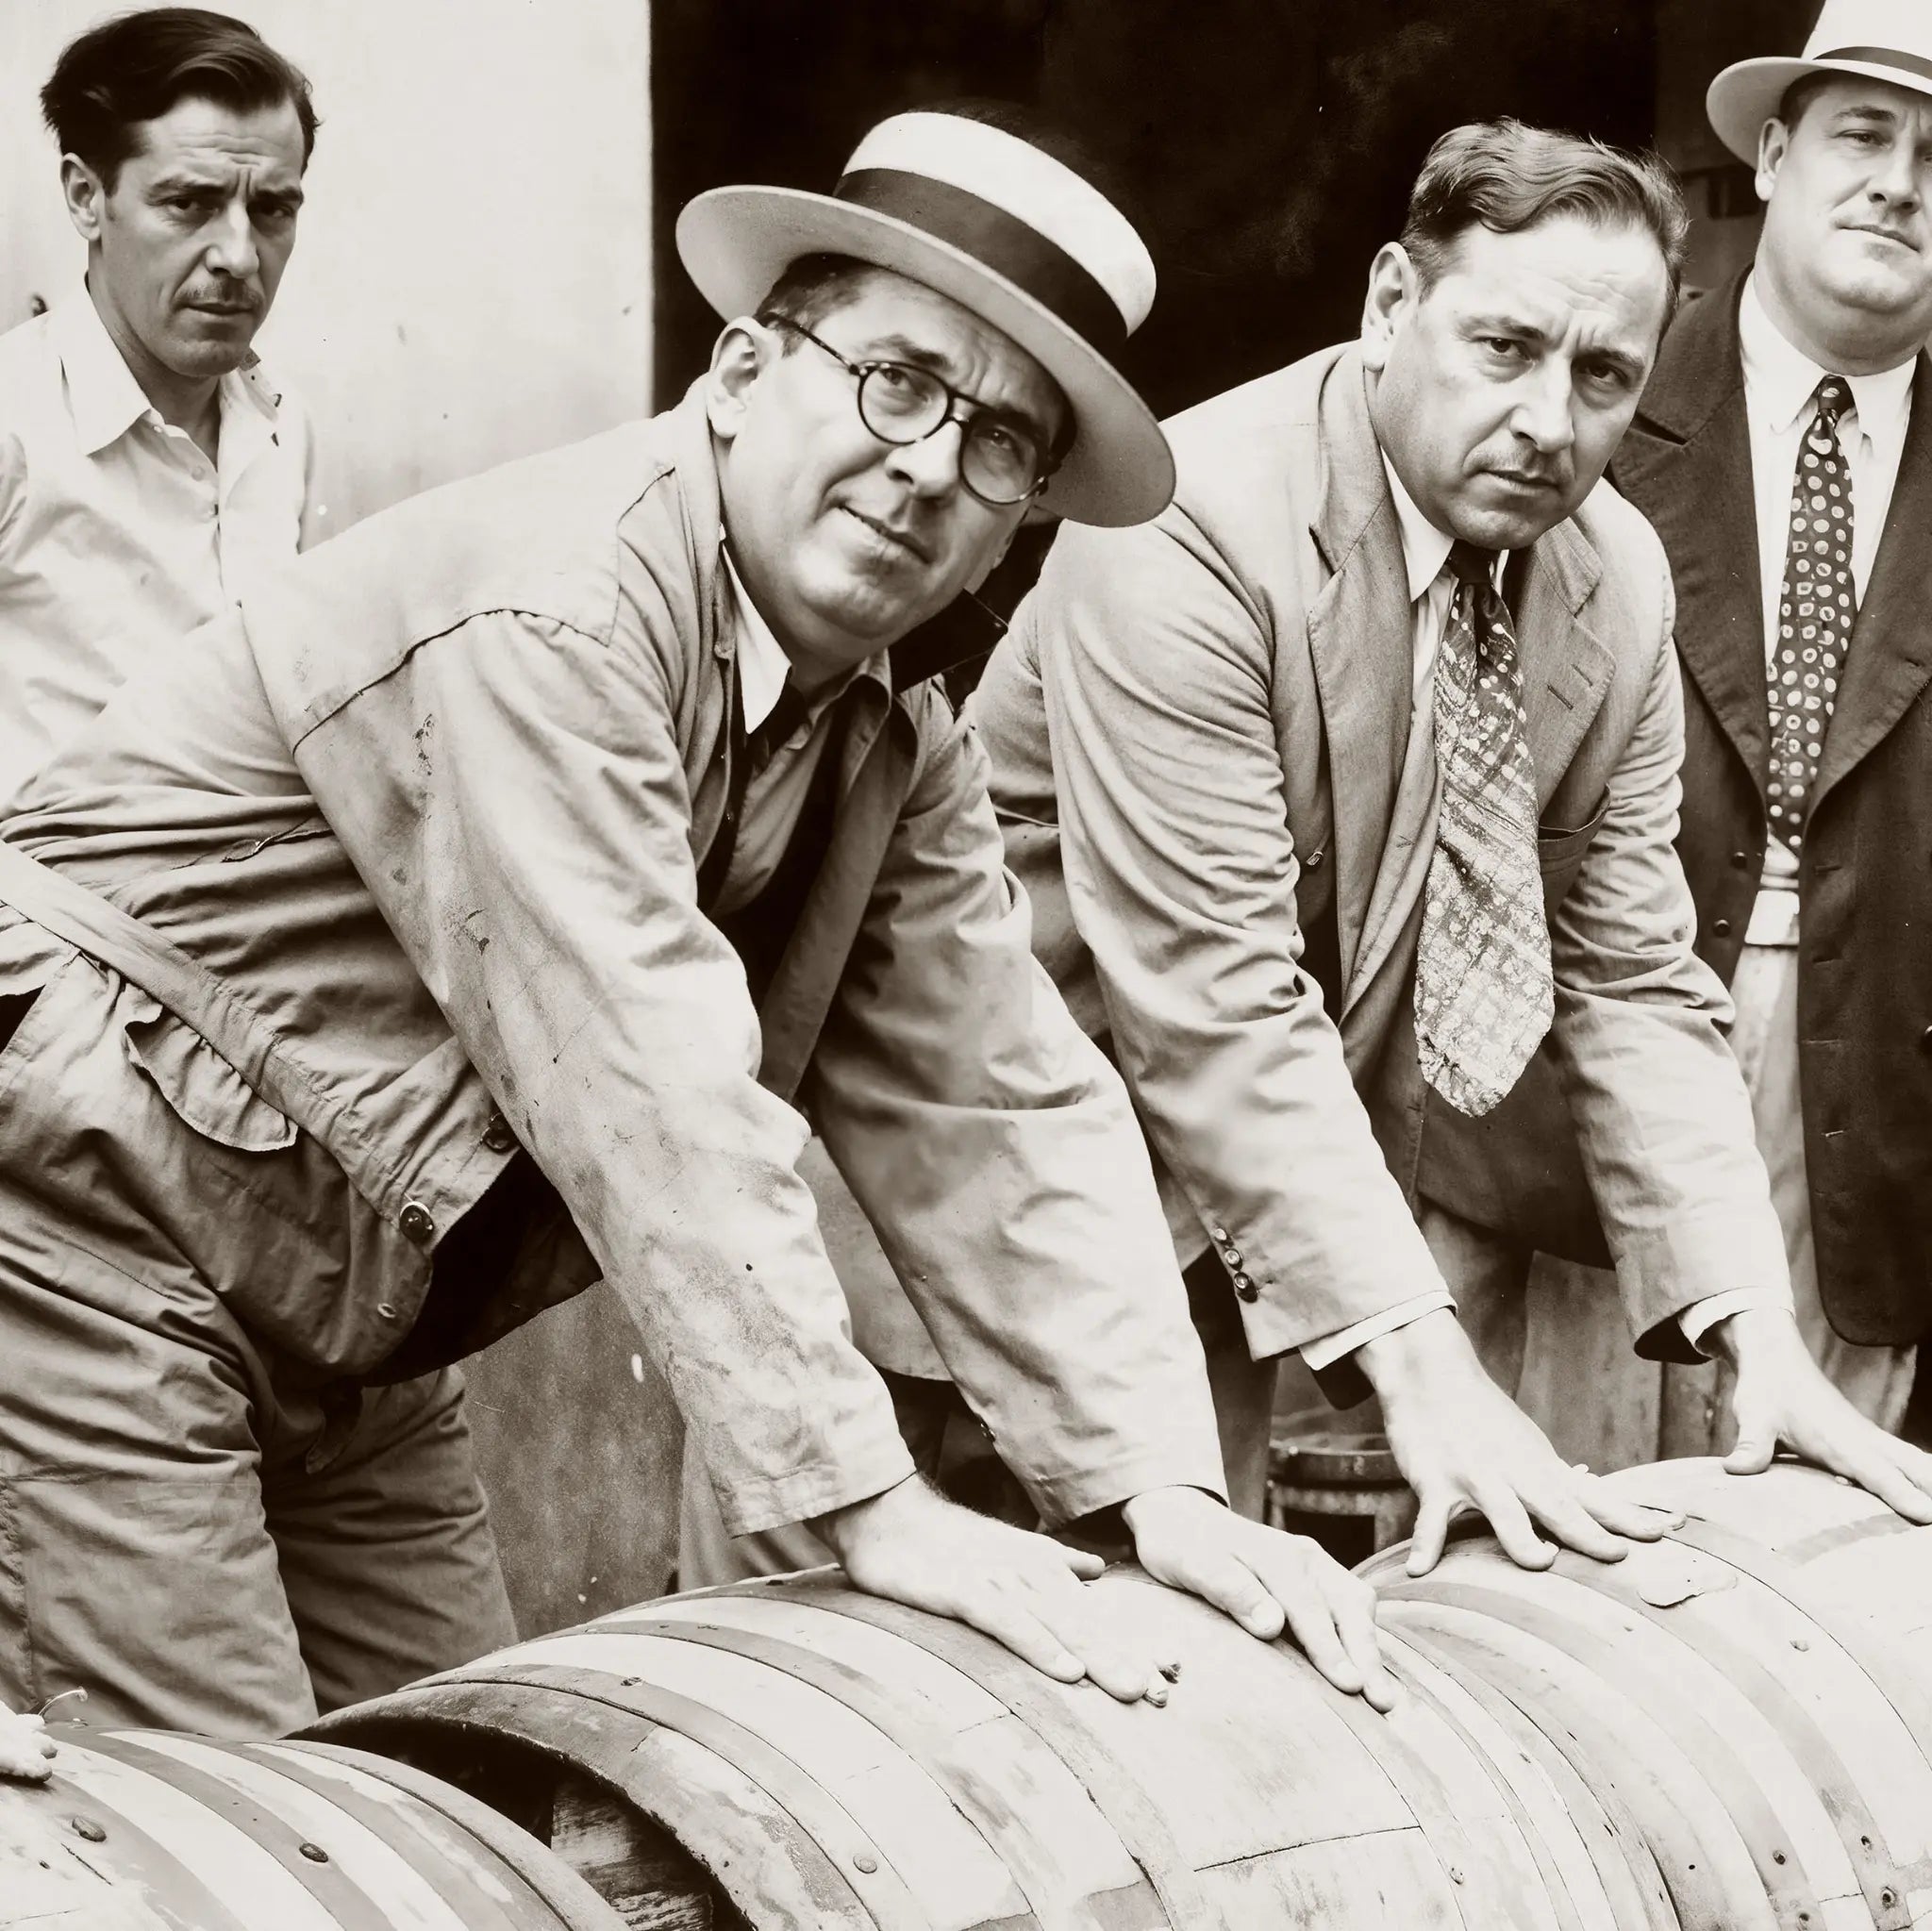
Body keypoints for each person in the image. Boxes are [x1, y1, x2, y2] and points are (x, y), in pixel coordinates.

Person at [0, 105, 1400, 1769]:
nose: (929, 466)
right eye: (894, 380)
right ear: (740, 371)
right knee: (220, 1835)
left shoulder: (885, 726)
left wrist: (1155, 1490)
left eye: (1002, 443)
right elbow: (641, 1069)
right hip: (88, 1233)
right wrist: (869, 1500)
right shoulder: (562, 607)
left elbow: (998, 1093)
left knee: (469, 1803)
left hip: (348, 1310)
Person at [965, 116, 1932, 1556]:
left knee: (1158, 1709)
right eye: (1506, 347)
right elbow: (1218, 997)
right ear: (1390, 304)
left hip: (1211, 1241)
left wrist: (1756, 1330)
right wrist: (1431, 1367)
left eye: (1605, 374)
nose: (1554, 418)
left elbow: (1636, 978)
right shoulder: (1182, 521)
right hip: (976, 1207)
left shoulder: (1614, 577)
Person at [1593, 0, 1932, 1443]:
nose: (1902, 181)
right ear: (1776, 153)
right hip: (1583, 1069)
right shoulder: (1597, 402)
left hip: (1881, 1110)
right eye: (1864, 132)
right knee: (1543, 1562)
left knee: (1796, 1585)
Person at [0, 8, 321, 797]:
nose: (241, 256)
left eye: (273, 209)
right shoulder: (15, 419)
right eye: (190, 204)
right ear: (86, 197)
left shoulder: (281, 425)